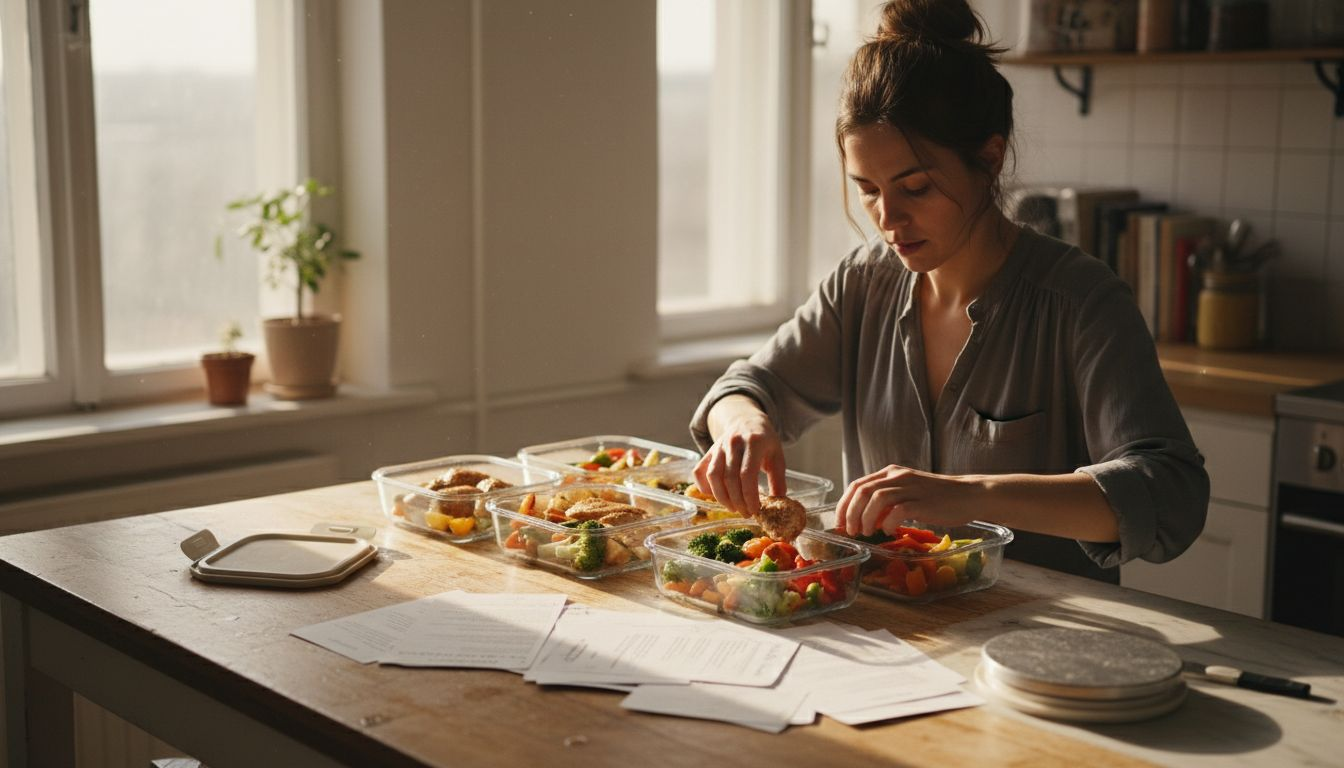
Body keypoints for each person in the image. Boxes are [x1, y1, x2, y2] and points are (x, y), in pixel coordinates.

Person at [688, 0, 1208, 581]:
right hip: (889, 632)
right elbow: (748, 387)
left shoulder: (1081, 302)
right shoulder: (862, 284)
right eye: (867, 190)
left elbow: (1172, 493)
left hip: (1038, 638)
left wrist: (970, 494)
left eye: (915, 188)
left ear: (988, 158)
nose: (888, 219)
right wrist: (743, 424)